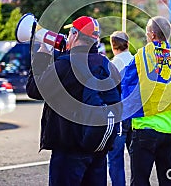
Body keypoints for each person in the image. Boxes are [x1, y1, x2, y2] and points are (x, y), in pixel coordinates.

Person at [26, 16, 121, 186]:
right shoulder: (107, 65)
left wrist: (43, 53)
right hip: (98, 148)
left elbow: (34, 89)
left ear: (74, 35)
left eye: (70, 33)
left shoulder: (65, 65)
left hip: (68, 151)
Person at [122, 16, 171, 186]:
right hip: (168, 129)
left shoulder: (142, 55)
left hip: (145, 128)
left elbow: (126, 84)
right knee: (167, 180)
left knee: (140, 180)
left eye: (146, 32)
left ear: (152, 35)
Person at [108, 31, 134, 186]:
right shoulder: (136, 61)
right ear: (128, 44)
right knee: (136, 158)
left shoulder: (112, 65)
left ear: (113, 45)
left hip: (119, 116)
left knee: (115, 158)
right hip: (136, 114)